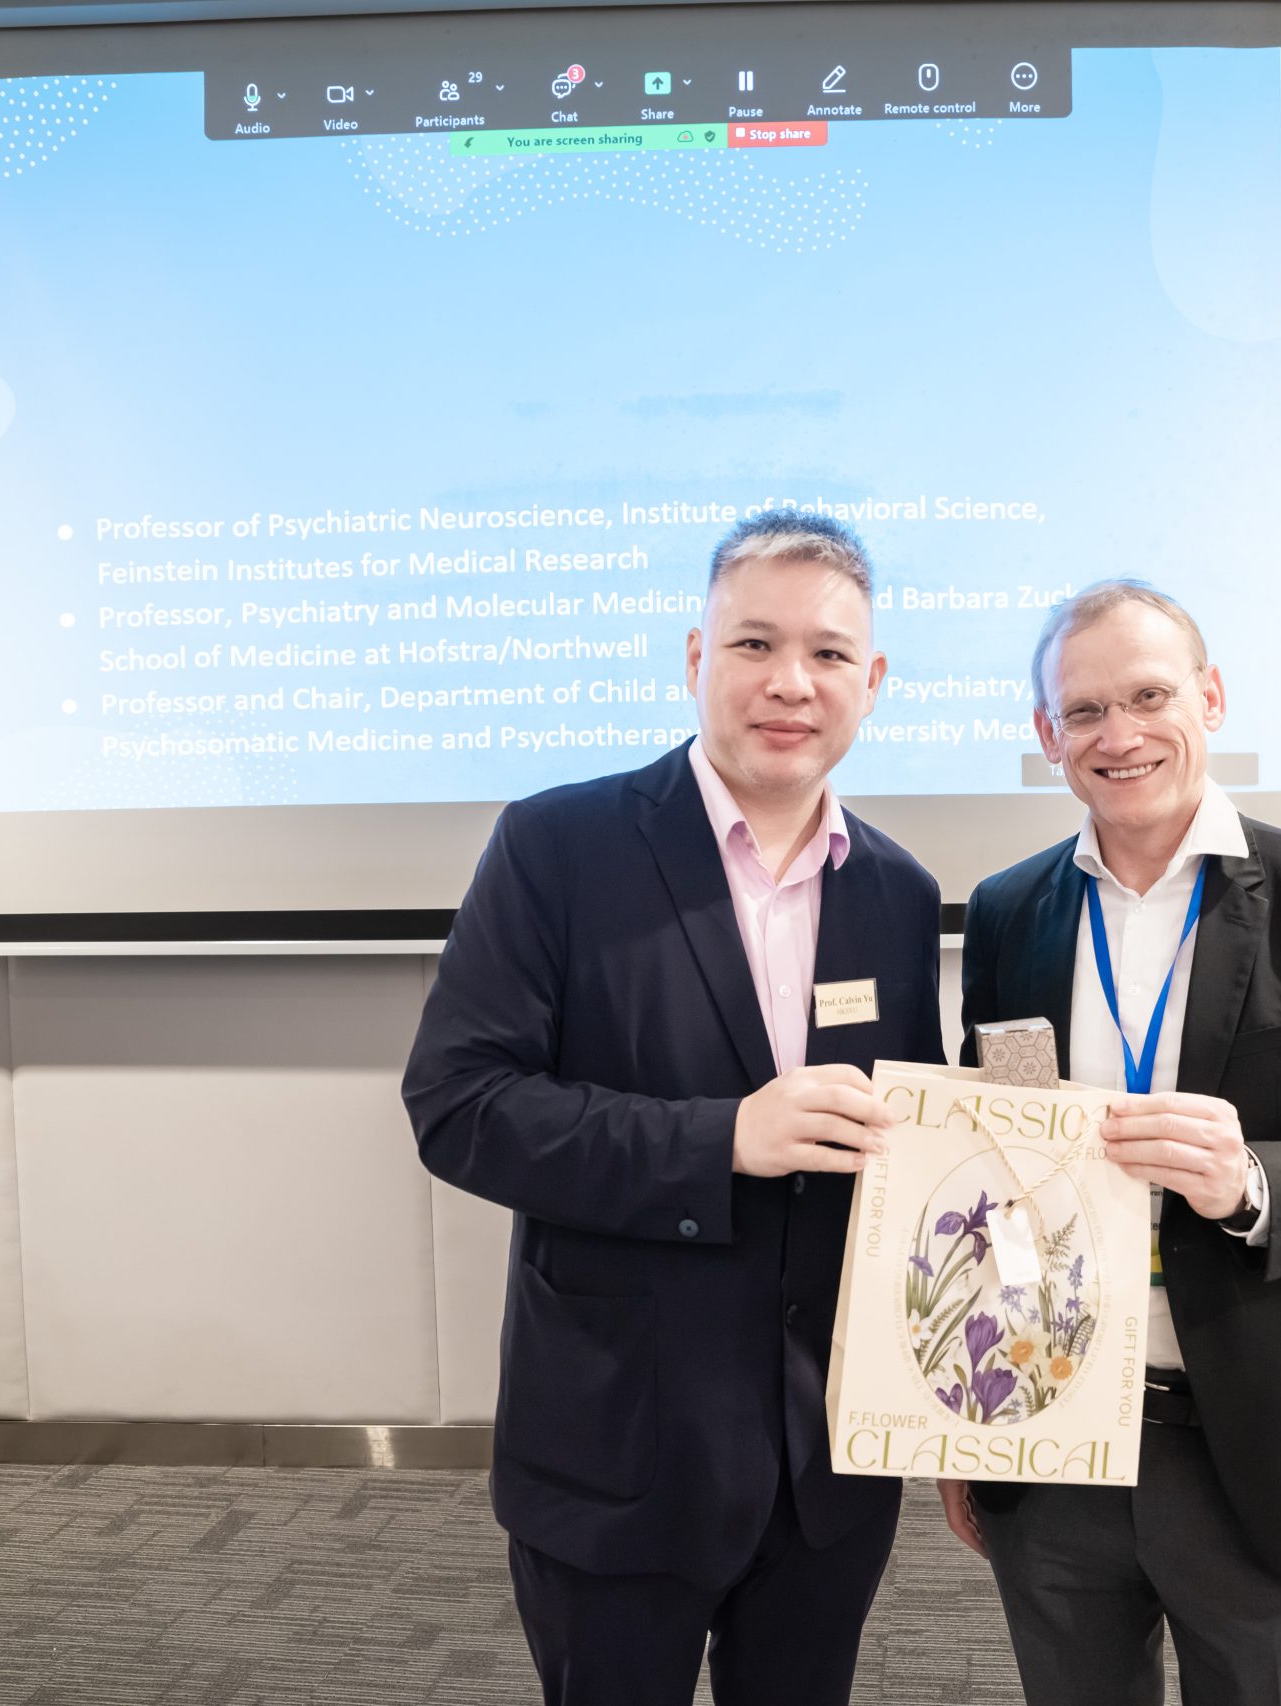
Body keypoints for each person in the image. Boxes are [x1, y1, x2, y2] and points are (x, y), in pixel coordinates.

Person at [401, 511, 944, 1706]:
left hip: (827, 1467)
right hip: (618, 1449)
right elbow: (459, 1103)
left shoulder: (898, 890)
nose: (791, 681)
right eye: (754, 643)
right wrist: (719, 1139)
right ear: (696, 657)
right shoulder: (557, 844)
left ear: (872, 682)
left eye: (828, 653)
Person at [942, 579, 1281, 1706]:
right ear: (1047, 734)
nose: (1119, 734)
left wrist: (1254, 1182)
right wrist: (964, 1426)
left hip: (1259, 1446)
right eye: (1084, 710)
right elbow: (989, 1170)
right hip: (1054, 1433)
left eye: (1149, 696)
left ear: (1211, 697)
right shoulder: (1007, 911)